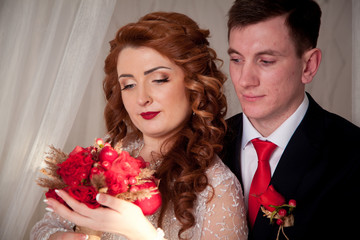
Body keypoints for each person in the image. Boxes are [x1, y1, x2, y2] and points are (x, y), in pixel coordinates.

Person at [31, 12, 248, 240]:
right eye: (129, 85)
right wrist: (59, 237)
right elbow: (45, 227)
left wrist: (142, 234)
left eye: (159, 79)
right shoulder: (106, 151)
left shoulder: (218, 189)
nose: (141, 98)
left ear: (195, 85)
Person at [221, 0, 360, 239]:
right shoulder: (205, 143)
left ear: (309, 65)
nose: (245, 80)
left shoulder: (353, 154)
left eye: (265, 61)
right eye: (237, 59)